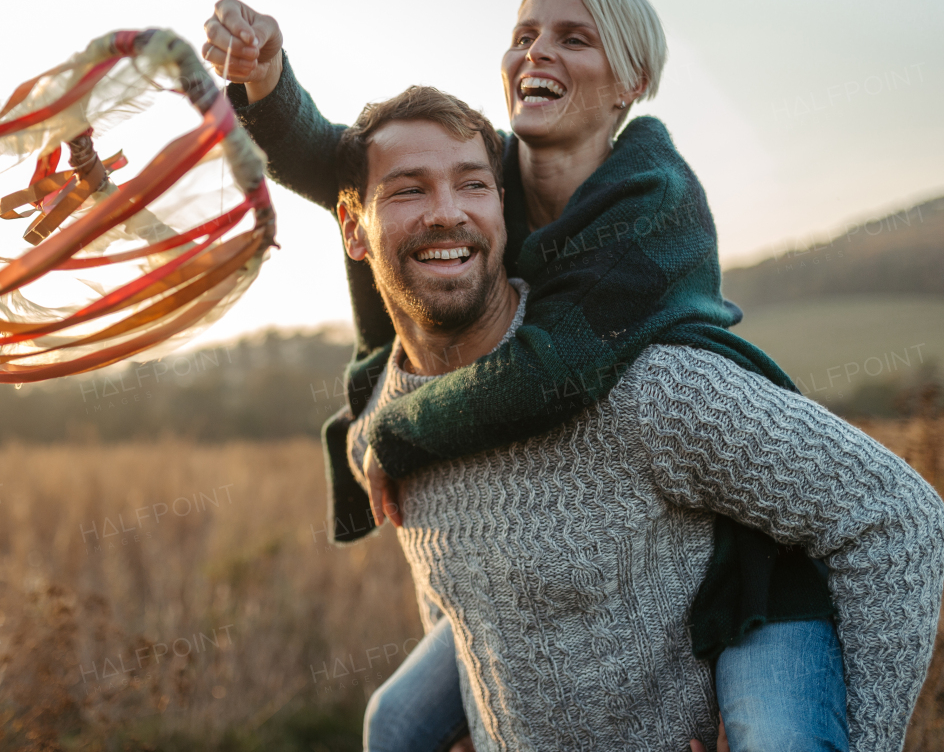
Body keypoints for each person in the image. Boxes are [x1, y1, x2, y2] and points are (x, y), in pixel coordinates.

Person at [200, 0, 940, 751]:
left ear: (632, 81)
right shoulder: (490, 177)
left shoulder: (656, 211)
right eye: (524, 35)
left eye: (574, 38)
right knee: (393, 723)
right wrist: (268, 82)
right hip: (560, 500)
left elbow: (556, 369)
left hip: (738, 544)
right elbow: (344, 161)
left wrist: (396, 432)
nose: (537, 53)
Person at [333, 82, 944, 750]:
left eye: (472, 184)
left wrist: (864, 741)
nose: (447, 213)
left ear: (502, 208)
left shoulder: (640, 385)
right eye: (407, 190)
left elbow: (895, 516)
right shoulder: (387, 419)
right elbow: (454, 594)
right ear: (352, 228)